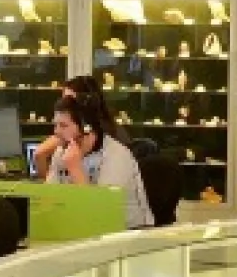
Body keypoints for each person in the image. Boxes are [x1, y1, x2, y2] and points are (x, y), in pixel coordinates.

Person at [44, 94, 154, 229]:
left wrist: (75, 169)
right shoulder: (62, 151)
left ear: (86, 128)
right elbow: (49, 199)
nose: (56, 131)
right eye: (55, 125)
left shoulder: (116, 156)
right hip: (80, 229)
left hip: (129, 232)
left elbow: (100, 215)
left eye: (63, 125)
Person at [32, 77, 125, 178]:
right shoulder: (62, 149)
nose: (65, 105)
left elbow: (40, 153)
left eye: (70, 101)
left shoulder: (114, 150)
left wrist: (74, 168)